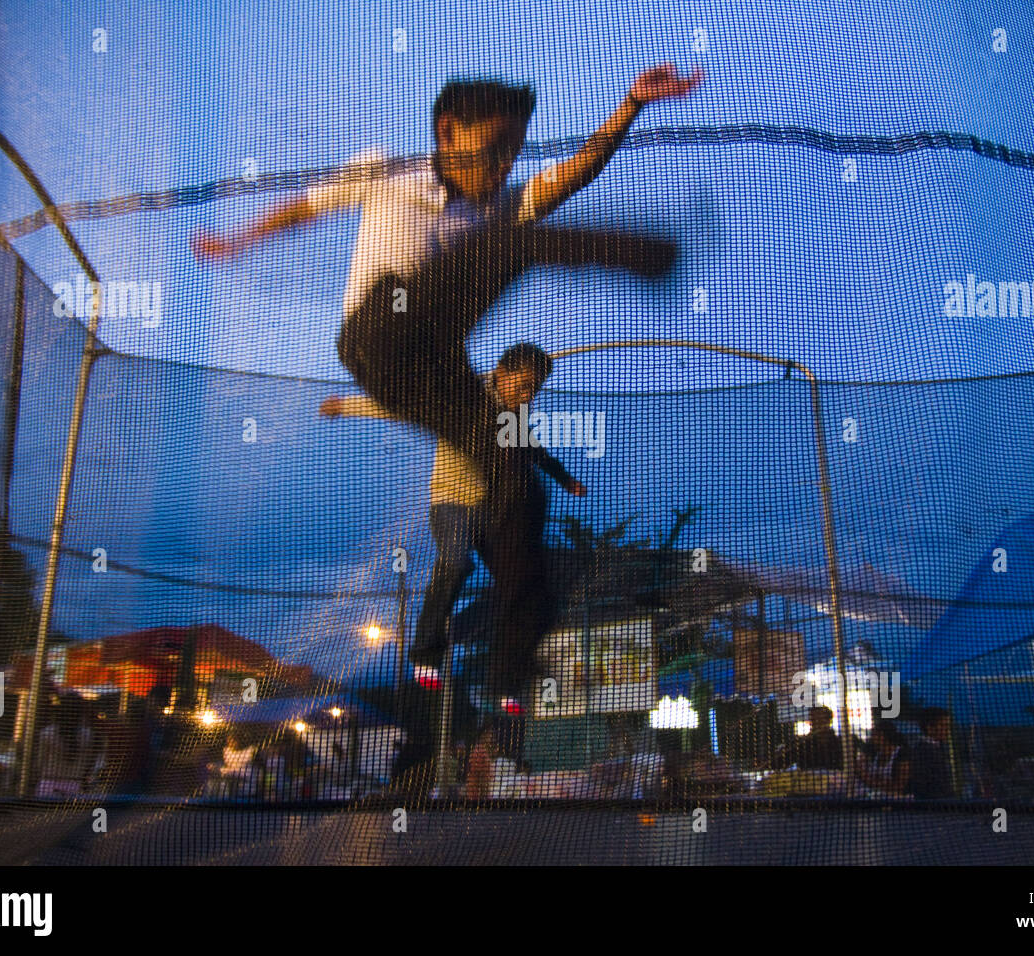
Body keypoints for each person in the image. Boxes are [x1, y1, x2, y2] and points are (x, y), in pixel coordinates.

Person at [196, 70, 701, 710]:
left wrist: (629, 106)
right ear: (447, 133)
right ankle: (647, 255)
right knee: (509, 244)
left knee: (517, 483)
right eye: (494, 148)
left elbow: (573, 173)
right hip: (380, 331)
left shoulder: (503, 205)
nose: (504, 164)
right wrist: (237, 241)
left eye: (515, 151)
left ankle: (515, 662)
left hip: (433, 370)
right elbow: (304, 207)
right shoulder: (387, 172)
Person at [322, 342, 584, 702]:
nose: (526, 397)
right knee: (456, 562)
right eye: (522, 386)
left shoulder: (514, 416)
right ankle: (425, 656)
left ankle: (507, 678)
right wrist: (346, 406)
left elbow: (532, 448)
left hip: (492, 510)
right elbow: (403, 408)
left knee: (518, 578)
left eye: (533, 391)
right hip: (450, 502)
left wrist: (563, 478)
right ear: (501, 373)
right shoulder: (463, 396)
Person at [905, 707, 955, 799]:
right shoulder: (922, 751)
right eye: (944, 726)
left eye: (948, 726)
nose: (947, 730)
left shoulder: (940, 747)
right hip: (933, 804)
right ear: (930, 728)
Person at [856, 719, 909, 796]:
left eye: (874, 734)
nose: (871, 738)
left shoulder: (902, 755)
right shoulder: (874, 754)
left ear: (882, 736)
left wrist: (867, 779)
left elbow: (899, 786)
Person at [796, 705, 843, 770]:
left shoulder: (841, 744)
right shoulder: (804, 746)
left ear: (829, 721)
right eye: (813, 720)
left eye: (820, 720)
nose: (817, 724)